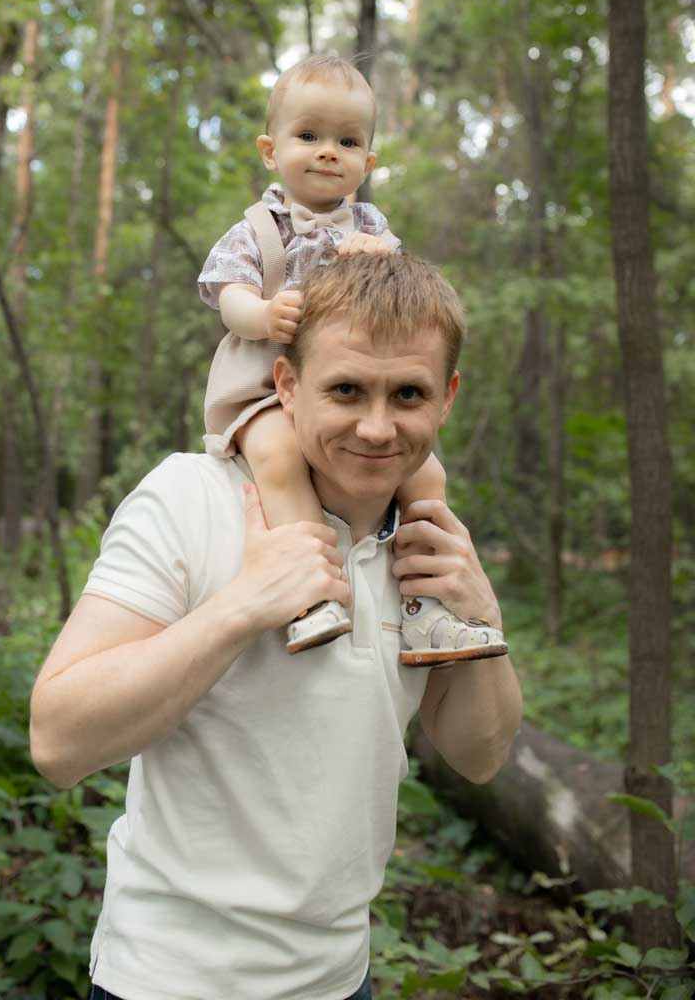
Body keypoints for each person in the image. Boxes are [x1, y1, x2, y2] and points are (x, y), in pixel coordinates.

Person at [30, 252, 523, 1000]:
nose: (378, 425)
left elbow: (479, 755)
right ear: (287, 386)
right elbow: (58, 741)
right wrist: (244, 604)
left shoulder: (431, 541)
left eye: (409, 393)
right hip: (169, 978)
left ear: (447, 398)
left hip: (338, 978)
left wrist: (481, 618)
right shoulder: (188, 498)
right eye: (347, 389)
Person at [198, 54, 507, 663]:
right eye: (308, 136)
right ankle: (309, 595)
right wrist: (261, 314)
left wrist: (378, 255)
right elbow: (226, 292)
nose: (326, 152)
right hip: (263, 385)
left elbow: (399, 304)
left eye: (346, 141)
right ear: (270, 150)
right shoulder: (260, 229)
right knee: (282, 460)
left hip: (345, 386)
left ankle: (429, 608)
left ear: (366, 164)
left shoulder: (368, 224)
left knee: (430, 476)